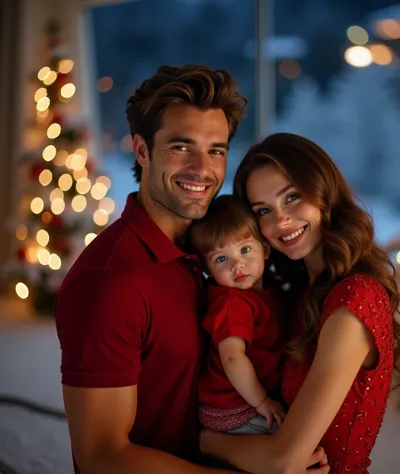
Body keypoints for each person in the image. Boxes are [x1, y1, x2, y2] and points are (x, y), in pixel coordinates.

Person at [55, 66, 329, 474]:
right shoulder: (111, 281)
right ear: (142, 151)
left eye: (216, 149)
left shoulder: (215, 250)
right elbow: (102, 456)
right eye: (182, 147)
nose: (203, 169)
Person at [199, 133, 400, 474]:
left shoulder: (355, 299)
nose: (280, 221)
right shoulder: (298, 293)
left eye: (292, 197)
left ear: (324, 192)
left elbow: (284, 462)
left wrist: (205, 440)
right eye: (264, 211)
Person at [190, 195, 286, 435]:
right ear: (207, 270)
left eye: (245, 250)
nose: (237, 265)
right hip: (230, 409)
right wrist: (262, 401)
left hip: (244, 400)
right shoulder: (232, 304)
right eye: (221, 259)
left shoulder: (261, 294)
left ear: (264, 249)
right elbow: (232, 358)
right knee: (290, 440)